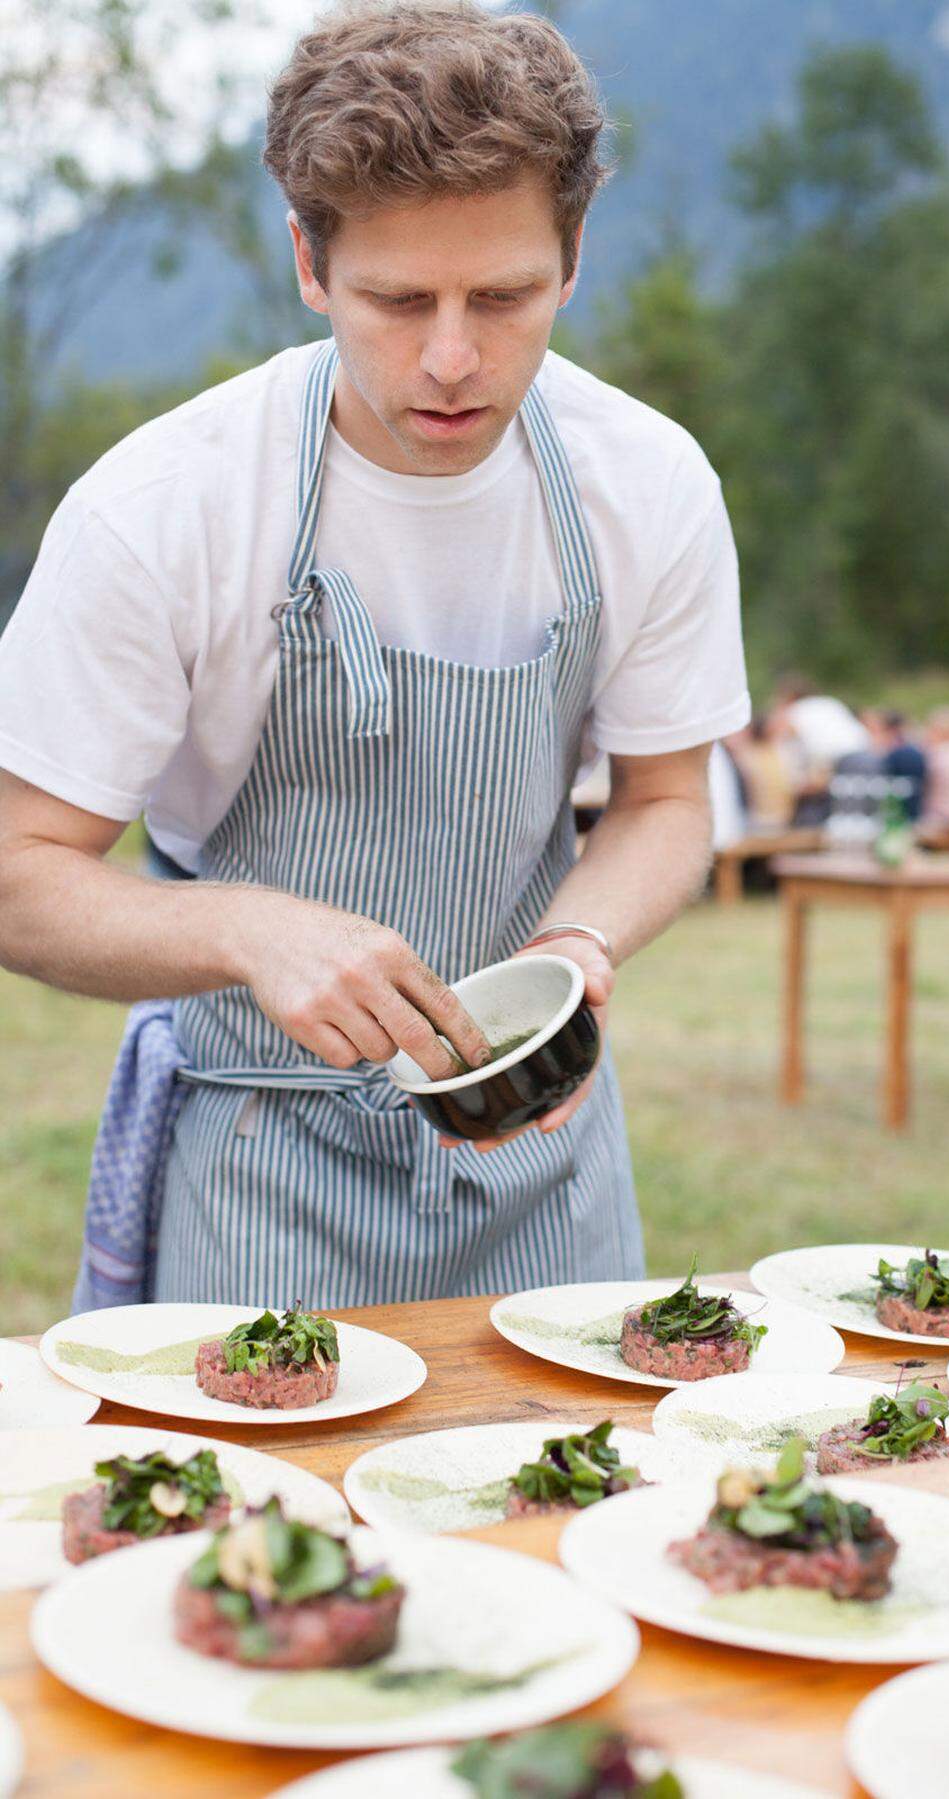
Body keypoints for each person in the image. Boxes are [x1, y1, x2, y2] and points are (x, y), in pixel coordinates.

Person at [0, 2, 749, 1309]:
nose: (453, 359)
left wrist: (582, 941)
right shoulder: (166, 507)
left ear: (573, 259)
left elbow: (670, 803)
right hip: (257, 1162)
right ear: (307, 259)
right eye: (398, 301)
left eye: (505, 297)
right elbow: (18, 876)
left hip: (547, 1165)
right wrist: (246, 932)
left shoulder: (648, 482)